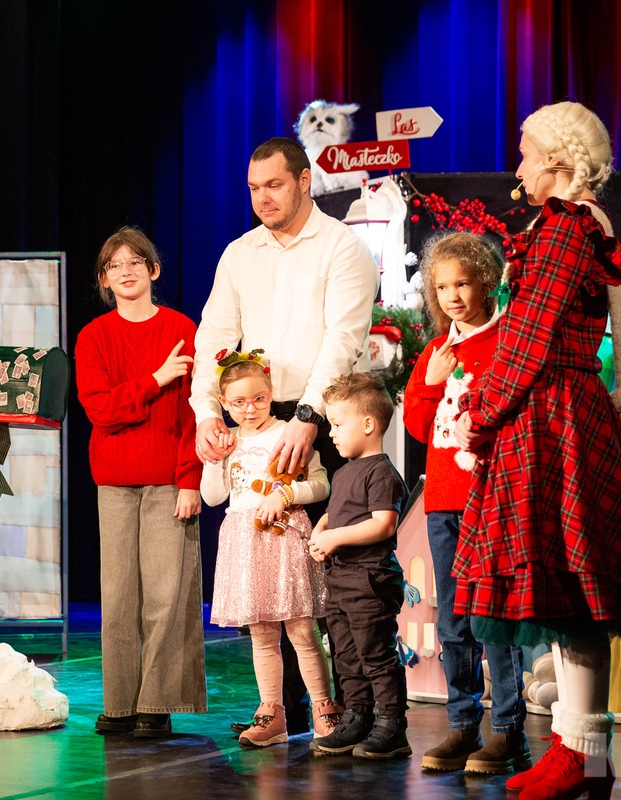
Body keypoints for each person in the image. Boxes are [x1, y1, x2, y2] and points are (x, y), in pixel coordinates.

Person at [453, 101, 621, 800]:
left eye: (525, 152)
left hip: (553, 416)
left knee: (573, 589)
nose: (518, 166)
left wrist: (481, 412)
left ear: (555, 158)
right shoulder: (578, 226)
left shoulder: (565, 228)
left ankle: (583, 752)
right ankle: (580, 748)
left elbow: (528, 339)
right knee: (568, 590)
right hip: (558, 410)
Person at [191, 136, 379, 734]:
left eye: (273, 184)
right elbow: (213, 336)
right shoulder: (240, 253)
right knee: (272, 583)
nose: (262, 198)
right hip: (254, 415)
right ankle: (283, 709)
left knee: (330, 575)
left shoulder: (341, 246)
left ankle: (347, 708)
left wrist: (308, 416)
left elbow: (343, 338)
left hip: (321, 417)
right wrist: (206, 413)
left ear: (303, 181)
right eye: (253, 188)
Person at [402, 232, 530, 774]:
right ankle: (462, 726)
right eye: (441, 287)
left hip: (491, 500)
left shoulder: (508, 342)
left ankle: (509, 732)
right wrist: (431, 384)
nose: (452, 296)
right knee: (453, 619)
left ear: (487, 282)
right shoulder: (436, 352)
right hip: (443, 502)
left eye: (463, 284)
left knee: (492, 615)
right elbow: (416, 425)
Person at [74, 226, 206, 739]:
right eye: (114, 265)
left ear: (154, 270)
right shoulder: (94, 336)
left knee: (167, 596)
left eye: (135, 262)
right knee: (118, 599)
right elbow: (101, 410)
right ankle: (120, 703)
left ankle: (158, 702)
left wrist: (191, 479)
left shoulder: (181, 329)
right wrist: (155, 379)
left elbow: (194, 413)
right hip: (115, 480)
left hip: (169, 480)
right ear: (104, 280)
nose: (125, 271)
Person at [200, 356, 339, 748]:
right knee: (261, 635)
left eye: (258, 399)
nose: (250, 409)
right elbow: (213, 496)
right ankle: (271, 713)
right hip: (244, 543)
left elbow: (321, 484)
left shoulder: (287, 433)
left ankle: (324, 710)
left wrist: (287, 494)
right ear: (224, 403)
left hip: (284, 539)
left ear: (271, 394)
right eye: (239, 402)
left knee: (302, 630)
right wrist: (214, 460)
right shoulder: (228, 441)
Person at [306, 373, 411, 759]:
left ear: (368, 424)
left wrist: (335, 537)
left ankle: (392, 724)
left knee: (375, 654)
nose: (331, 433)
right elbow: (337, 513)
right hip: (341, 579)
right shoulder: (343, 470)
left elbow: (382, 524)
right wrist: (322, 529)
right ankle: (357, 716)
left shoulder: (381, 472)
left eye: (337, 424)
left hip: (370, 579)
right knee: (346, 654)